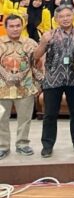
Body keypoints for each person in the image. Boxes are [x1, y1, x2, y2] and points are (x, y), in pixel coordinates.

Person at [34, 6, 74, 158]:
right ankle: (47, 145)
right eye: (61, 16)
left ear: (73, 16)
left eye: (68, 15)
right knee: (49, 114)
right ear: (56, 19)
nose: (65, 18)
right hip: (52, 80)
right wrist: (43, 43)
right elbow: (36, 56)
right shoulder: (49, 34)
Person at [0, 15, 41, 159]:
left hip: (25, 88)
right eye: (11, 26)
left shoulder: (30, 43)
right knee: (1, 119)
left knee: (25, 119)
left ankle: (22, 144)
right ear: (6, 27)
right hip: (2, 90)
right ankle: (3, 146)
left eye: (18, 25)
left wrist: (38, 84)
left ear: (22, 26)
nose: (15, 29)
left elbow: (37, 64)